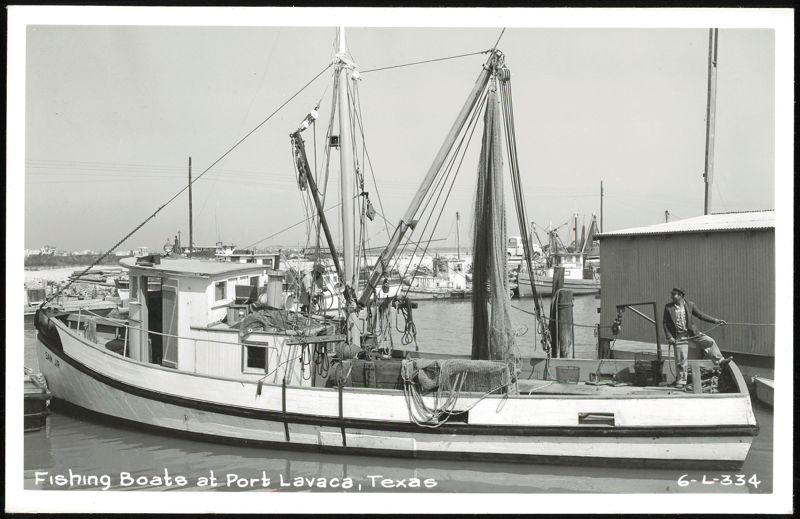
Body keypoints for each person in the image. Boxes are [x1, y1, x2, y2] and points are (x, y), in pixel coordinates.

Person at [662, 287, 730, 388]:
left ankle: (720, 361)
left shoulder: (690, 305)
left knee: (709, 341)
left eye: (674, 294)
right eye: (671, 294)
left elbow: (701, 315)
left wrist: (716, 321)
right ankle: (681, 381)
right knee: (681, 360)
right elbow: (665, 323)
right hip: (679, 336)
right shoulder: (668, 307)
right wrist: (669, 337)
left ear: (680, 296)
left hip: (692, 333)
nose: (671, 296)